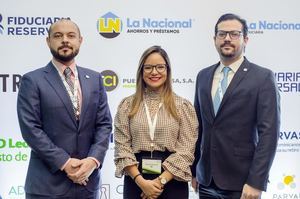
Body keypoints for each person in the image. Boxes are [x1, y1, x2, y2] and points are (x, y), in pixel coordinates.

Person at [17, 18, 112, 198]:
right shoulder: (32, 80)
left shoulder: (95, 79)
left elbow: (104, 125)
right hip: (46, 187)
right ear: (48, 41)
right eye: (58, 36)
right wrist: (65, 162)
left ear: (80, 41)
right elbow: (31, 129)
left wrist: (93, 161)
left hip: (87, 185)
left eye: (71, 35)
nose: (65, 40)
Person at [191, 13, 281, 199]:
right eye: (222, 34)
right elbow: (198, 128)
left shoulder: (262, 77)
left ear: (245, 39)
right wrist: (194, 170)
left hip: (242, 183)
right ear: (214, 39)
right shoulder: (203, 76)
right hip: (206, 181)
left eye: (234, 34)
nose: (227, 39)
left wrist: (256, 181)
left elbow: (269, 134)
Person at [114, 45, 198, 199]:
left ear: (167, 70)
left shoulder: (183, 106)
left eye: (160, 67)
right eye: (148, 68)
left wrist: (160, 181)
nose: (154, 72)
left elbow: (186, 150)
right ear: (141, 71)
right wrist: (142, 183)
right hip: (136, 180)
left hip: (172, 179)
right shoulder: (127, 105)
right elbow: (122, 147)